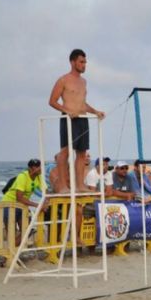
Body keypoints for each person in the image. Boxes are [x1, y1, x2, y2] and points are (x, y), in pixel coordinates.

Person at [48, 49, 105, 194]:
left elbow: (82, 104)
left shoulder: (83, 82)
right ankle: (62, 186)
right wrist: (67, 111)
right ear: (73, 62)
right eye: (81, 62)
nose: (84, 65)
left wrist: (96, 111)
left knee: (82, 153)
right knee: (65, 152)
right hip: (68, 119)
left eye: (85, 62)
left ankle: (80, 185)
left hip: (82, 119)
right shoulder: (63, 79)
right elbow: (52, 101)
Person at [1, 159, 48, 240]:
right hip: (9, 204)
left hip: (22, 205)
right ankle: (12, 248)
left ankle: (14, 247)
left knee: (27, 230)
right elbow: (19, 197)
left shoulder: (39, 177)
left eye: (40, 166)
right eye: (36, 167)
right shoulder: (22, 176)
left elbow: (46, 193)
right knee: (11, 232)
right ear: (30, 168)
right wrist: (38, 205)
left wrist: (45, 204)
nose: (40, 168)